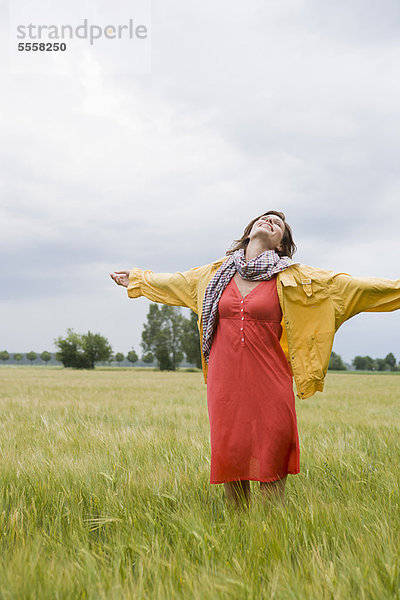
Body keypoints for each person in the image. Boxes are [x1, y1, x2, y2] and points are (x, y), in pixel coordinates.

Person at [110, 210, 400, 509]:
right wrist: (137, 279)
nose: (269, 221)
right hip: (225, 384)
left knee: (273, 451)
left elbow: (354, 288)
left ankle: (271, 532)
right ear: (249, 233)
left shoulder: (297, 279)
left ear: (280, 245)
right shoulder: (213, 275)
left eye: (278, 225)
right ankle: (240, 531)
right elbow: (172, 282)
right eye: (264, 218)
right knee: (231, 454)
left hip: (270, 381)